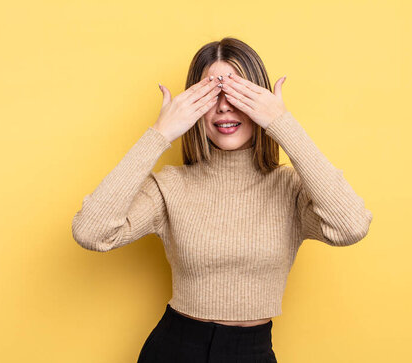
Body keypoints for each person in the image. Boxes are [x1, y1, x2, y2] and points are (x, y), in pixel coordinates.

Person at [71, 37, 373, 363]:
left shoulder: (290, 189)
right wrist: (159, 134)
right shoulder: (170, 186)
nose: (225, 106)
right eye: (211, 94)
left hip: (252, 352)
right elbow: (91, 232)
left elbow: (351, 227)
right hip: (174, 350)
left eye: (238, 93)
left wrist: (283, 124)